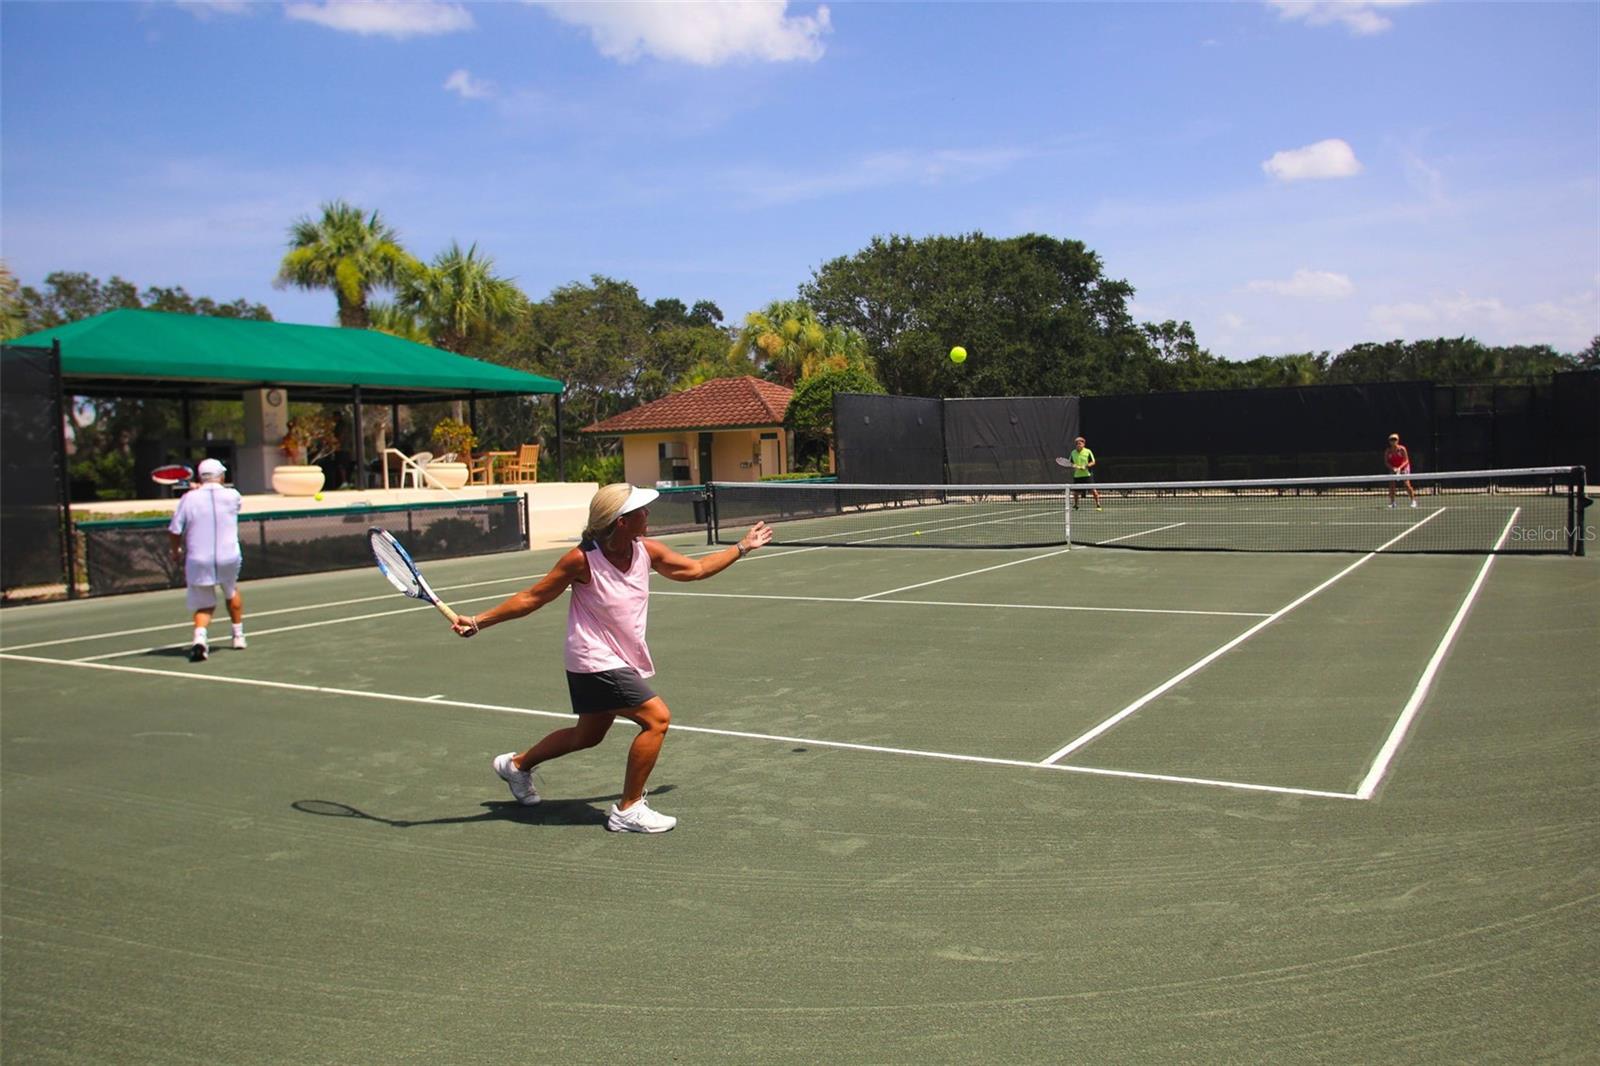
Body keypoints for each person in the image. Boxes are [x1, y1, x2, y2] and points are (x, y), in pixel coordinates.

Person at [453, 483, 773, 834]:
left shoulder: (646, 550)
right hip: (592, 659)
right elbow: (533, 597)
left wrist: (742, 547)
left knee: (587, 736)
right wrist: (479, 621)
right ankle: (628, 809)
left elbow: (694, 570)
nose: (648, 514)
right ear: (621, 521)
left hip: (617, 658)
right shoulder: (581, 560)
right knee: (656, 720)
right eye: (641, 511)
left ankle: (516, 766)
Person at [168, 458, 246, 662]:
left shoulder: (188, 499)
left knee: (204, 604)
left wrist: (175, 549)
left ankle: (200, 639)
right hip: (228, 555)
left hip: (199, 557)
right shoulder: (233, 496)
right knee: (231, 591)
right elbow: (225, 504)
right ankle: (238, 636)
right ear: (221, 476)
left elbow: (175, 529)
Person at [1068, 435, 1102, 511]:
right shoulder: (1073, 453)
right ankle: (1076, 505)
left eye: (1080, 443)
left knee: (1093, 491)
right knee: (1076, 493)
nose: (1078, 445)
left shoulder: (1088, 451)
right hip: (1077, 476)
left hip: (1087, 475)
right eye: (1077, 443)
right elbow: (1070, 463)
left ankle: (1098, 504)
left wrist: (1085, 466)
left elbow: (1093, 462)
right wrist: (1074, 466)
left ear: (1083, 444)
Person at [1384, 432, 1418, 508]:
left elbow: (1406, 460)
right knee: (1392, 485)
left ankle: (1413, 501)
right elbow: (1386, 462)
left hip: (1404, 467)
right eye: (1391, 439)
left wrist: (1400, 468)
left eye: (1395, 439)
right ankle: (1393, 503)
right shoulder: (1388, 451)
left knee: (1406, 484)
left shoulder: (1402, 449)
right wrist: (1393, 468)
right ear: (1389, 441)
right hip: (1393, 468)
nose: (1393, 441)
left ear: (1398, 440)